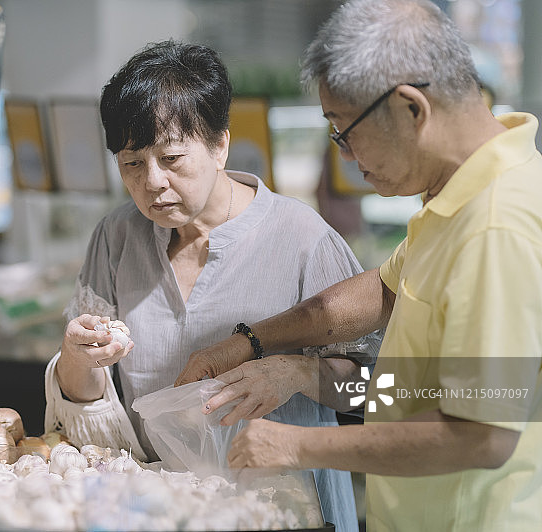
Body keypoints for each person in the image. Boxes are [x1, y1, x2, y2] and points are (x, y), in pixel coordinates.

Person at [176, 1, 542, 530]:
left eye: (344, 131)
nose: (346, 156)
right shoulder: (459, 193)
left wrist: (298, 445)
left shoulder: (495, 228)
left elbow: (481, 433)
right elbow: (387, 297)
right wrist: (256, 346)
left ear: (411, 108)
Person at [43, 40, 380, 532]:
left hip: (285, 513)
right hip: (156, 512)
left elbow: (378, 390)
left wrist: (299, 374)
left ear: (220, 145)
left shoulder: (303, 239)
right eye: (132, 163)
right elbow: (86, 396)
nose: (152, 182)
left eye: (172, 158)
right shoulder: (116, 237)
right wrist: (76, 359)